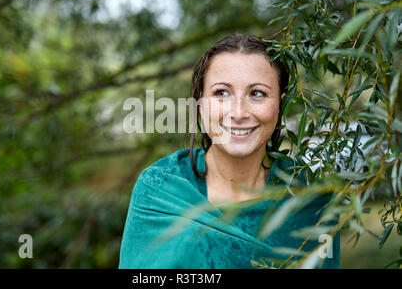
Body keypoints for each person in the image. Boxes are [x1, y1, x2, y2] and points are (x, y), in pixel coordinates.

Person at [118, 33, 340, 269]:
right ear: (200, 104)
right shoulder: (159, 188)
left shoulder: (311, 197)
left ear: (280, 105)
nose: (239, 113)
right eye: (221, 93)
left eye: (257, 93)